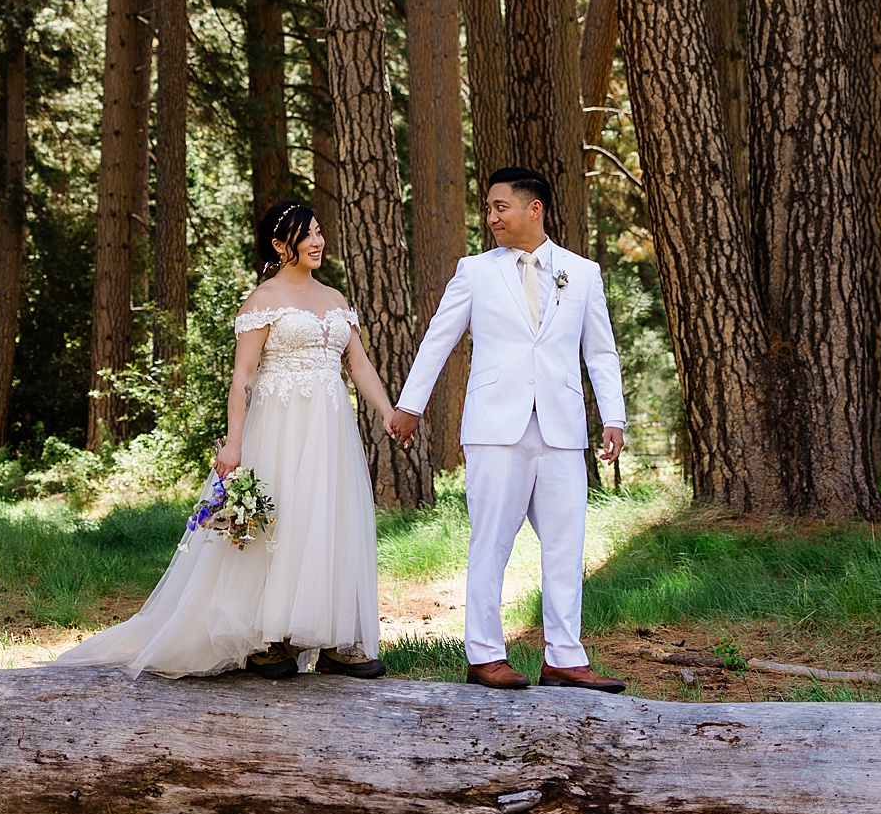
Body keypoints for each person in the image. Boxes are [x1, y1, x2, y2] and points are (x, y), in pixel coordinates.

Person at [54, 201, 399, 680]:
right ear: (281, 246)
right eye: (307, 235)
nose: (318, 242)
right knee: (279, 520)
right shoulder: (263, 299)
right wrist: (233, 444)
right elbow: (243, 375)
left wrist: (388, 413)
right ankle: (267, 638)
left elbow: (357, 364)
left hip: (329, 430)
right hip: (280, 428)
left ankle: (334, 640)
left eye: (319, 231)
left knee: (327, 518)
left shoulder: (337, 299)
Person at [392, 167, 629, 692]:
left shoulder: (581, 273)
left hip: (562, 428)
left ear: (534, 208)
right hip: (496, 427)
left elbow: (601, 349)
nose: (492, 216)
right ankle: (484, 655)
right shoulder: (476, 271)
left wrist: (613, 415)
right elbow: (438, 339)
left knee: (567, 544)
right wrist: (411, 405)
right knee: (491, 543)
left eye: (501, 207)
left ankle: (565, 656)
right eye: (489, 208)